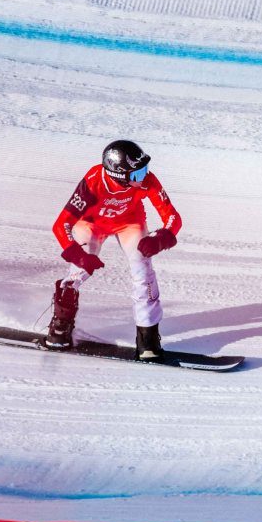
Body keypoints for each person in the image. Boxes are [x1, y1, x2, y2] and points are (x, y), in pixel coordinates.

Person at [47, 140, 182, 361]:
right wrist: (78, 254)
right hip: (91, 223)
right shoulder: (93, 183)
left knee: (143, 270)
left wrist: (162, 238)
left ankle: (147, 337)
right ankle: (61, 325)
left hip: (129, 223)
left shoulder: (146, 181)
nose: (144, 176)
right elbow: (61, 225)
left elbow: (173, 217)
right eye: (138, 174)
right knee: (78, 271)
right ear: (119, 175)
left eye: (145, 170)